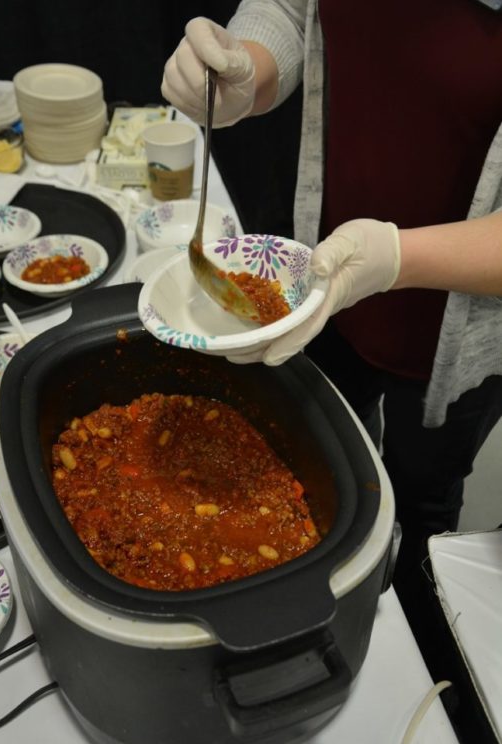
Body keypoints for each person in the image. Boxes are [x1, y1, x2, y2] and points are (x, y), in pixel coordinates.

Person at [161, 1, 502, 602]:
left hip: (456, 326)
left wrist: (394, 258)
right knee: (326, 458)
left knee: (421, 499)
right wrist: (246, 68)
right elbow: (292, 11)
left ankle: (416, 628)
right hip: (331, 273)